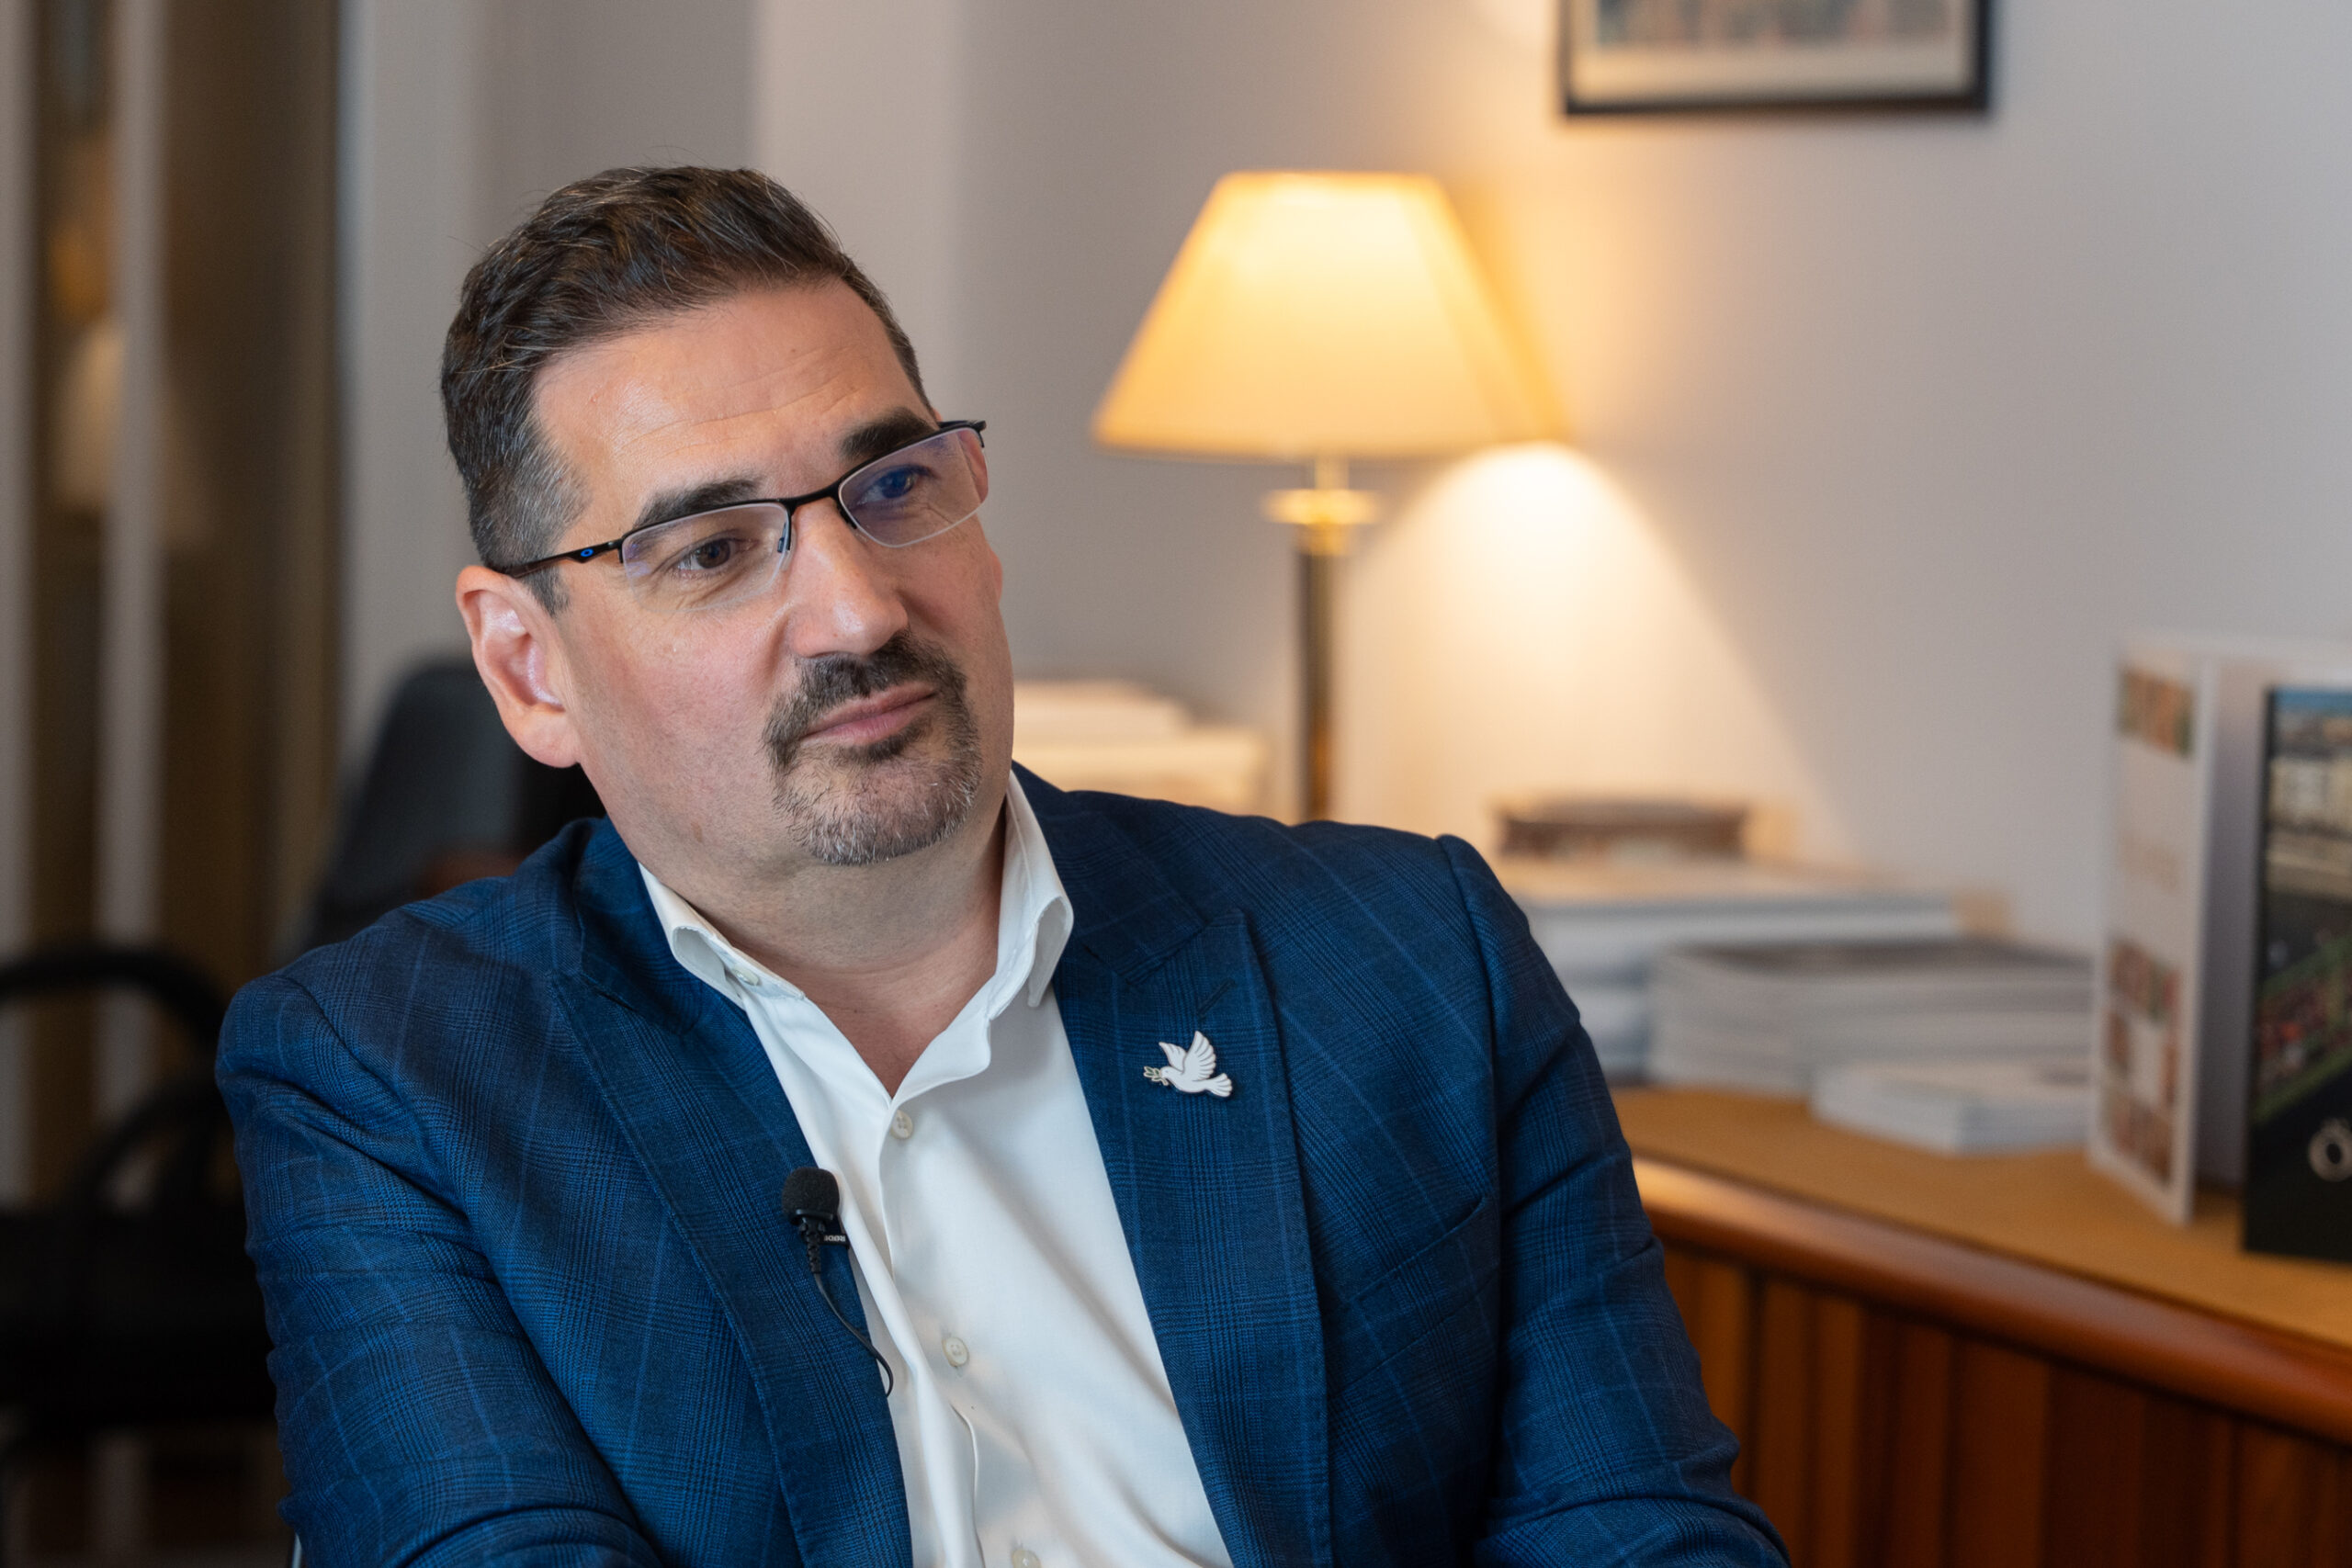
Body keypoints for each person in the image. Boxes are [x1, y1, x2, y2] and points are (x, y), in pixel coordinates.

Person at [220, 165, 1784, 1568]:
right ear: (528, 668)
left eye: (895, 488)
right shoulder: (393, 1074)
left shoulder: (1407, 957)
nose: (858, 609)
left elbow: (1641, 1533)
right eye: (711, 551)